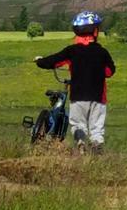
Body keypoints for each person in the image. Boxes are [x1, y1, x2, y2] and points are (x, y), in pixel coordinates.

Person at [34, 10, 116, 150]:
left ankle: (80, 142)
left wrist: (40, 61)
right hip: (98, 97)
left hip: (78, 96)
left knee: (78, 125)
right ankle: (96, 148)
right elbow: (109, 71)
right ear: (95, 32)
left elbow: (53, 61)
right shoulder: (103, 52)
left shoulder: (72, 51)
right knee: (97, 128)